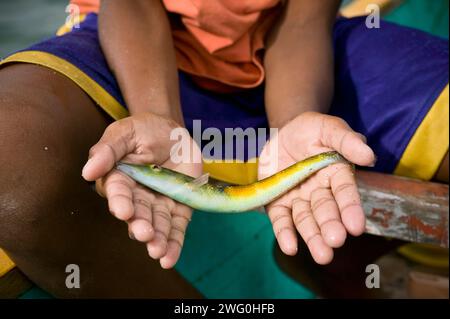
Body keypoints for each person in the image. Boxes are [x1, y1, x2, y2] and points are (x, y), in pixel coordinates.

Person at [0, 0, 447, 297]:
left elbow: (304, 20)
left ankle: (331, 269)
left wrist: (294, 120)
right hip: (130, 50)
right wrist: (159, 115)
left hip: (302, 53)